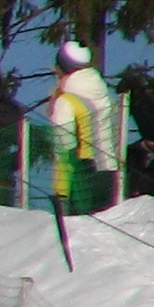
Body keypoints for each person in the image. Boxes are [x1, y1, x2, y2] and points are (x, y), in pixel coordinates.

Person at [46, 43, 114, 214]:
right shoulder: (102, 94)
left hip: (79, 176)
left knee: (77, 233)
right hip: (108, 171)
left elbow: (64, 147)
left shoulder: (67, 100)